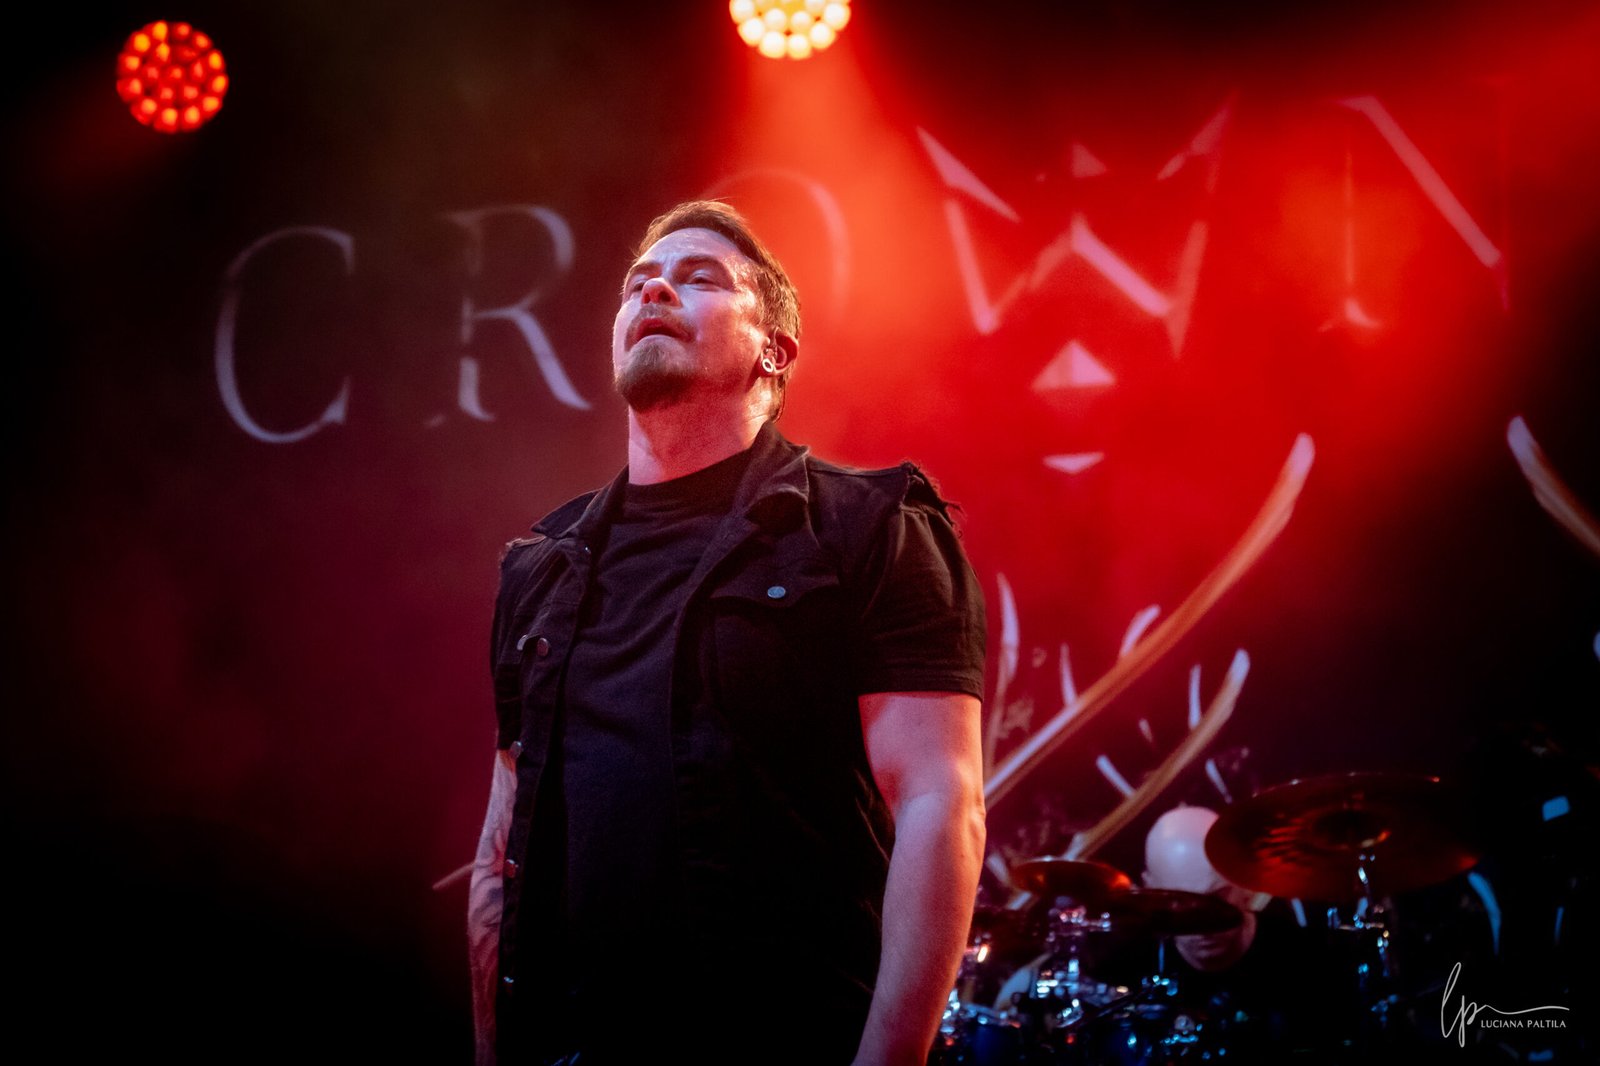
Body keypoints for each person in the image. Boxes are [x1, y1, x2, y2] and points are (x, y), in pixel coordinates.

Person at [468, 200, 989, 1066]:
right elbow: (501, 846)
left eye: (699, 277)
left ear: (773, 351)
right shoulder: (540, 568)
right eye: (638, 284)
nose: (655, 290)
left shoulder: (870, 527)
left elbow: (940, 803)